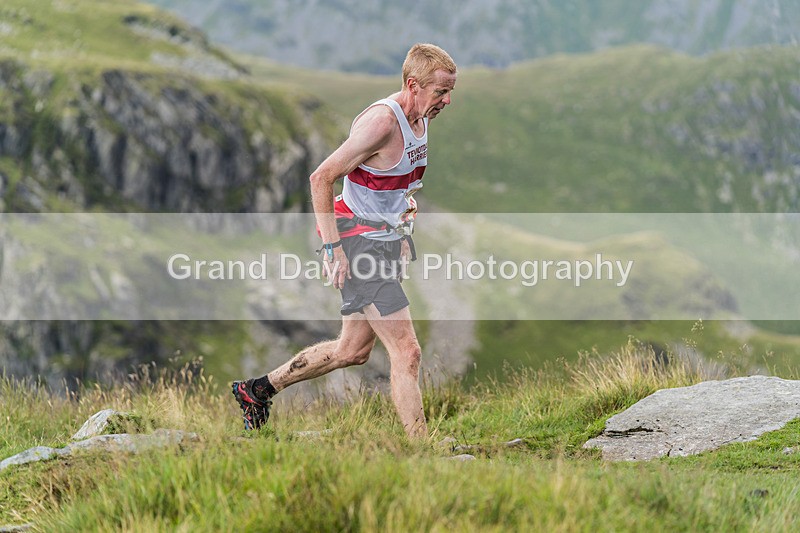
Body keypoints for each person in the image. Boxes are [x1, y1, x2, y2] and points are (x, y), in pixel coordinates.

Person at [233, 43, 457, 438]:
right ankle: (424, 452)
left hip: (382, 241)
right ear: (413, 85)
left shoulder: (421, 116)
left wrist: (402, 229)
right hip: (358, 246)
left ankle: (257, 390)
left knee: (351, 350)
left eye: (450, 90)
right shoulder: (382, 124)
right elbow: (321, 177)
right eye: (441, 91)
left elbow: (395, 185)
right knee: (408, 352)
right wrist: (333, 249)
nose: (448, 100)